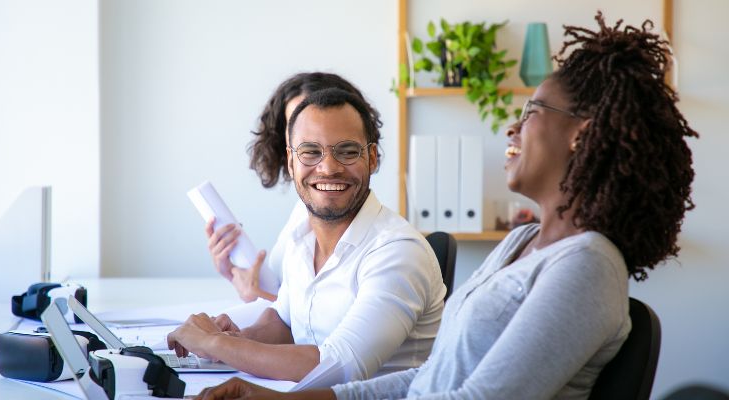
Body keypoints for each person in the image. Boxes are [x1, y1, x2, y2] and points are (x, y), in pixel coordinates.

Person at [192, 12, 697, 399]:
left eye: (531, 112)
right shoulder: (523, 241)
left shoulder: (588, 267)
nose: (512, 129)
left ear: (579, 136)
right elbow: (430, 378)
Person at [169, 87, 446, 382]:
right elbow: (285, 321)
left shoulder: (398, 250)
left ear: (373, 158)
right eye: (311, 151)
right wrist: (238, 337)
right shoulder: (301, 235)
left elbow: (340, 366)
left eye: (348, 151)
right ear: (291, 161)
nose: (328, 167)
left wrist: (217, 344)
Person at [207, 72, 383, 302]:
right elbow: (291, 304)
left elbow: (319, 324)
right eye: (298, 124)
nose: (327, 167)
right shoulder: (301, 217)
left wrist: (255, 298)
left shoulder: (377, 241)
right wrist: (235, 272)